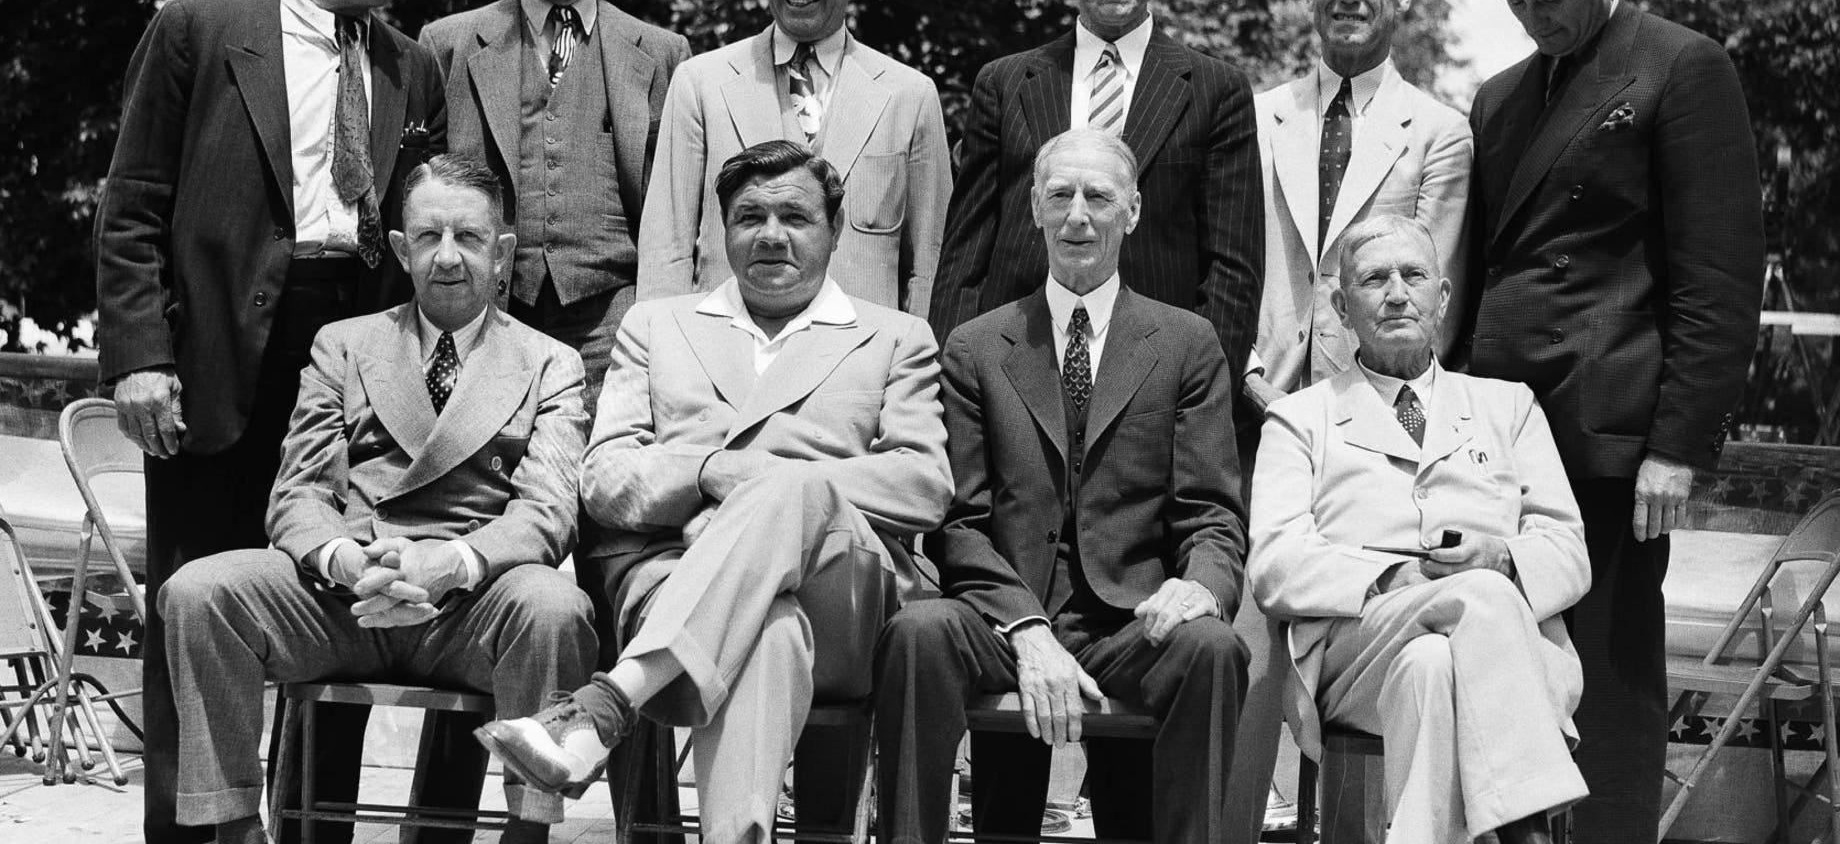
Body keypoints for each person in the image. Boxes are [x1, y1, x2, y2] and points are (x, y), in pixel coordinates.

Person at [93, 0, 446, 843]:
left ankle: (312, 830)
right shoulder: (199, 29)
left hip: (353, 361)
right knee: (192, 608)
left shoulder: (406, 62)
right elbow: (133, 203)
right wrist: (141, 355)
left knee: (334, 601)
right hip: (212, 359)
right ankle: (193, 830)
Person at [478, 141, 954, 844]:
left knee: (790, 486)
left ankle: (611, 700)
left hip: (843, 599)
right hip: (675, 584)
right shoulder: (657, 326)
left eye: (795, 216)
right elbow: (605, 479)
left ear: (835, 229)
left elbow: (922, 482)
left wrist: (768, 493)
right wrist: (705, 474)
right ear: (720, 230)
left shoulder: (894, 337)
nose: (771, 234)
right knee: (767, 626)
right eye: (749, 216)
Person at [157, 155, 596, 844]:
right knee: (197, 592)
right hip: (345, 597)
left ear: (503, 251)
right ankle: (233, 826)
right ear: (399, 247)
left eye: (469, 238)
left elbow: (546, 516)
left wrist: (446, 563)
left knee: (558, 609)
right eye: (427, 238)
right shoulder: (344, 344)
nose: (447, 258)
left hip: (470, 608)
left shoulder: (550, 363)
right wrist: (343, 559)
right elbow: (298, 492)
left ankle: (529, 827)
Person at [1465, 0, 1764, 841]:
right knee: (1501, 666)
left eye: (1550, 2)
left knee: (1609, 673)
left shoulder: (1681, 66)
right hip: (1495, 432)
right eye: (1516, 5)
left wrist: (1677, 444)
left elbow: (1716, 281)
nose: (1535, 22)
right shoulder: (1499, 98)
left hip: (1610, 436)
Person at [874, 128, 1250, 844]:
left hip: (1131, 623)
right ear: (1035, 211)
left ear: (1132, 212)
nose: (1079, 214)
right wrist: (1025, 629)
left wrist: (1202, 584)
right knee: (916, 632)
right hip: (1001, 617)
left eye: (1099, 197)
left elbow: (1211, 513)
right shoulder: (976, 346)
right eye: (1060, 196)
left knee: (1212, 647)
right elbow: (957, 523)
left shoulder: (1187, 343)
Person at [1252, 214, 1591, 844]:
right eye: (1374, 279)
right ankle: (1528, 832)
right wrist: (1391, 575)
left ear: (1442, 298)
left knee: (1433, 665)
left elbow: (1570, 552)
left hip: (1476, 654)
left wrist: (1502, 558)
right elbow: (1273, 564)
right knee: (1481, 598)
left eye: (1413, 276)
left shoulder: (1507, 406)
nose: (1397, 293)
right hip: (1358, 651)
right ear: (1340, 307)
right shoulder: (1299, 420)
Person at [929, 0, 1263, 401]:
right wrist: (960, 394)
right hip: (1016, 380)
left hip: (1157, 388)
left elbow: (1233, 271)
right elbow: (964, 261)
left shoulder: (1215, 91)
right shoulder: (1006, 84)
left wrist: (1194, 399)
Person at [420, 0, 690, 407]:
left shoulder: (664, 53)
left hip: (615, 320)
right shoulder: (448, 45)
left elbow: (680, 212)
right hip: (485, 314)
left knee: (604, 484)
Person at [636, 0, 950, 317]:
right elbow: (665, 249)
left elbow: (930, 266)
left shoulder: (910, 96)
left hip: (860, 367)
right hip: (728, 362)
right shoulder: (700, 84)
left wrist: (918, 370)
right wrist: (662, 359)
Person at [1245, 0, 1471, 406]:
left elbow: (1428, 300)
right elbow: (1225, 268)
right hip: (1256, 409)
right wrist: (1250, 382)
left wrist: (1362, 408)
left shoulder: (1441, 134)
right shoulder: (1256, 119)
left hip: (1376, 412)